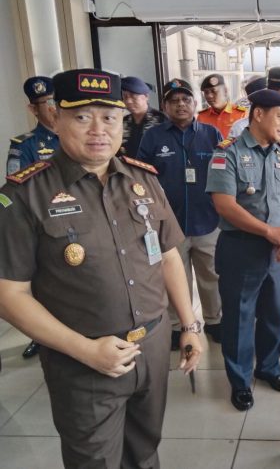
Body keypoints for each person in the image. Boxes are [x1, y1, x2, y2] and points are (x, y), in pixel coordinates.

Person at [0, 68, 202, 468]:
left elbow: (169, 255)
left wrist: (189, 325)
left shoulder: (143, 180)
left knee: (145, 451)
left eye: (109, 117)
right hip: (83, 362)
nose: (99, 130)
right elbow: (9, 295)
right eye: (81, 116)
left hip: (154, 344)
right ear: (55, 118)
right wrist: (87, 351)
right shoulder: (23, 195)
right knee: (95, 461)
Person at [206, 89, 280, 411]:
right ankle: (240, 381)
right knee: (240, 318)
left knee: (274, 313)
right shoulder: (227, 153)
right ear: (258, 114)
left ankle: (269, 367)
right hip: (241, 248)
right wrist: (269, 231)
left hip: (277, 252)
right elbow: (225, 206)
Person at [137, 79, 223, 348]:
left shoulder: (211, 134)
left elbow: (223, 174)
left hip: (208, 220)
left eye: (186, 99)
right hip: (168, 223)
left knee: (211, 275)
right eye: (174, 101)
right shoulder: (153, 137)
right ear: (165, 106)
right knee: (175, 277)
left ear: (195, 103)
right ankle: (177, 326)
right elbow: (142, 176)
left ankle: (214, 320)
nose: (181, 105)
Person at [7, 76, 60, 359]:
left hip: (85, 218)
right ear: (33, 109)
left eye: (54, 100)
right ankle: (43, 334)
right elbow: (18, 187)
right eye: (45, 103)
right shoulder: (24, 145)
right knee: (47, 283)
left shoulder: (78, 134)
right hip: (46, 221)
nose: (52, 107)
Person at [119, 75, 166, 158]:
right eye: (125, 97)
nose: (129, 101)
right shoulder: (123, 122)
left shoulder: (161, 120)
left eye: (134, 97)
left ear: (146, 97)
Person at [197, 73, 248, 138]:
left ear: (225, 91)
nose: (209, 96)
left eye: (214, 91)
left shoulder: (241, 114)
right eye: (206, 92)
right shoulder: (202, 117)